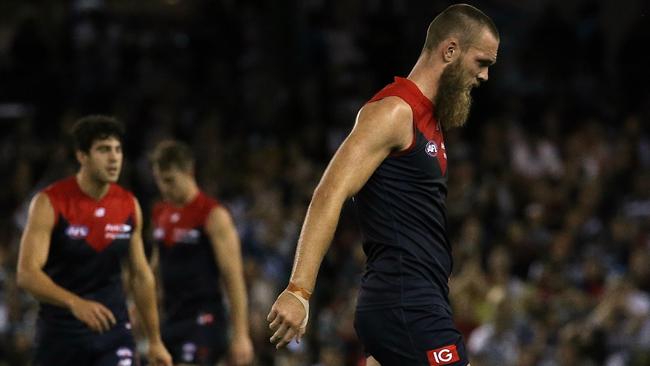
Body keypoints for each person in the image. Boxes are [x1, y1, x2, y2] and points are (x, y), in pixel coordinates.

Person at [267, 4, 499, 365]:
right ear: (450, 51)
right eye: (481, 62)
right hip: (406, 304)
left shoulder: (428, 119)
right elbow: (330, 192)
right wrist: (299, 290)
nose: (484, 76)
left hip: (415, 303)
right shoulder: (393, 112)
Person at [16, 115, 172, 366]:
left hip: (114, 332)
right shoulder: (50, 202)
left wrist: (154, 340)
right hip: (61, 335)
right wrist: (74, 303)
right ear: (82, 156)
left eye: (118, 150)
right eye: (103, 150)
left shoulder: (128, 204)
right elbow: (26, 273)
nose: (114, 158)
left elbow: (140, 275)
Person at [149, 140, 254, 366]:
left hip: (203, 319)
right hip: (171, 318)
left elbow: (233, 276)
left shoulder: (212, 215)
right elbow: (157, 265)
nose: (164, 188)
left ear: (189, 172)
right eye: (159, 181)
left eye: (170, 180)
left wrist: (241, 335)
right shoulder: (160, 213)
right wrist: (144, 308)